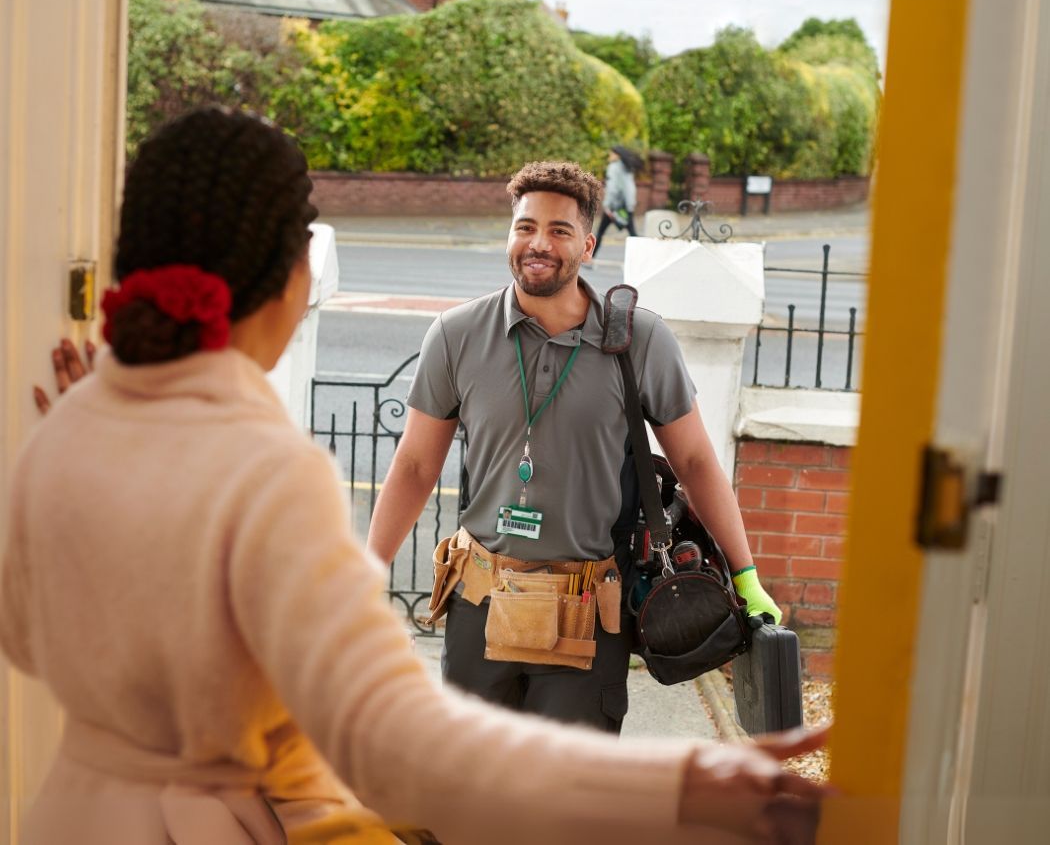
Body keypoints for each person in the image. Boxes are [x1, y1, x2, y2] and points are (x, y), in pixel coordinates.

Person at [2, 108, 825, 845]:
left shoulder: (70, 430)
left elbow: (26, 638)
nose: (538, 243)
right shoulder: (269, 473)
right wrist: (677, 787)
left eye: (559, 230)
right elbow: (407, 738)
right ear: (294, 278)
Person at [367, 160, 782, 735]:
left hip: (589, 616)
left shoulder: (639, 340)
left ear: (588, 244)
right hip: (480, 605)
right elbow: (414, 467)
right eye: (525, 227)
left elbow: (694, 462)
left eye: (559, 230)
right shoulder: (456, 335)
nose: (539, 243)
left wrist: (745, 574)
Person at [592, 145, 641, 259]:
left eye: (611, 154)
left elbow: (612, 189)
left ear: (617, 155)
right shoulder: (627, 168)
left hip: (614, 207)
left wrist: (607, 205)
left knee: (600, 232)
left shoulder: (613, 167)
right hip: (625, 207)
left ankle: (590, 257)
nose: (610, 156)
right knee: (632, 233)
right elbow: (630, 188)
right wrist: (630, 205)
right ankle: (642, 256)